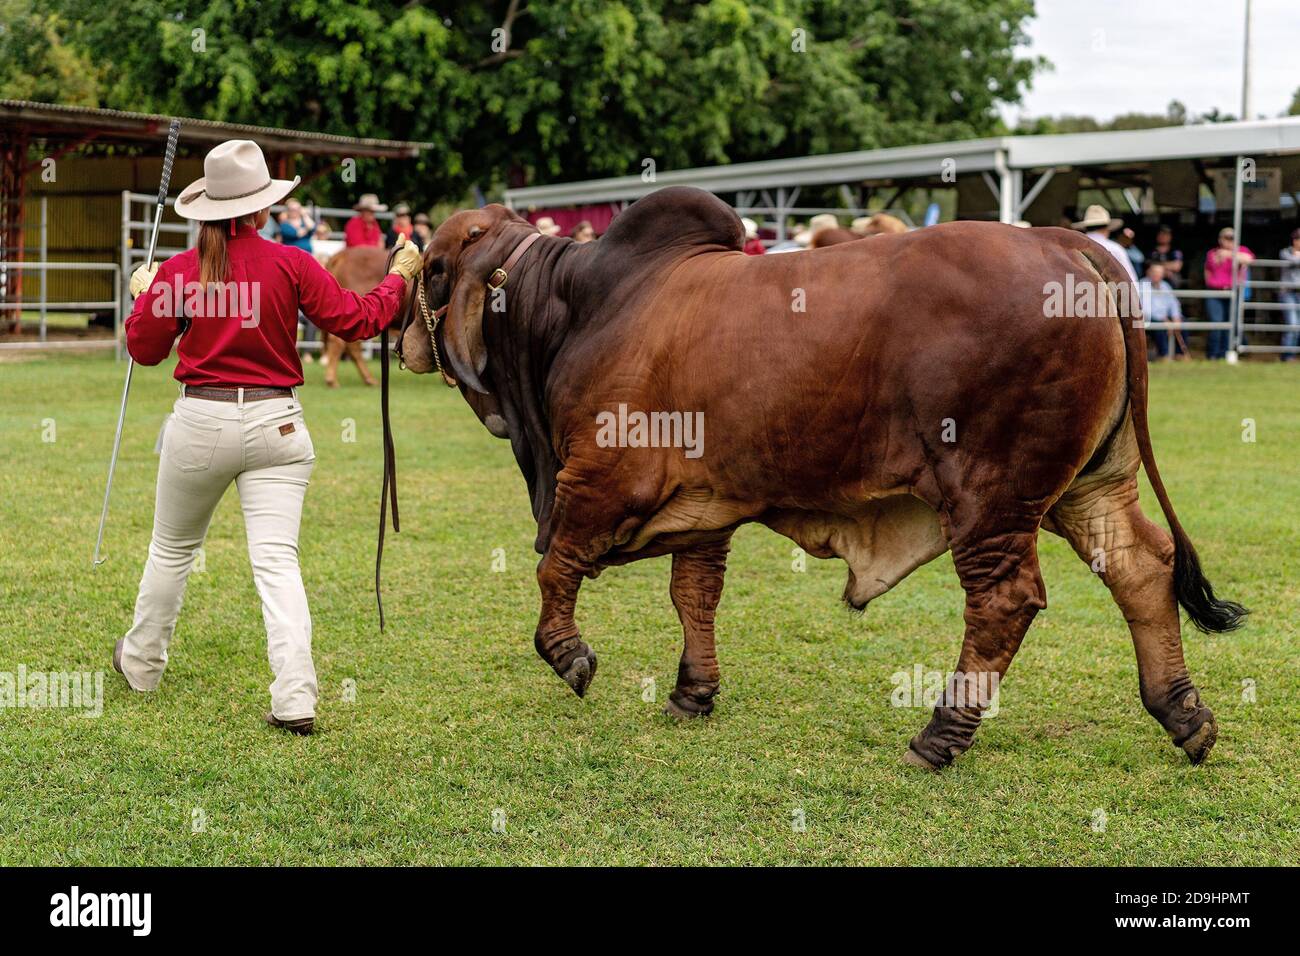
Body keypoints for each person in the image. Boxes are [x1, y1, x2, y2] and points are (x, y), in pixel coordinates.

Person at [116, 139, 423, 735]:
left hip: (200, 423)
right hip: (277, 424)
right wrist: (399, 278)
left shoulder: (180, 272)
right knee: (277, 563)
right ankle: (295, 698)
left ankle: (143, 665)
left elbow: (143, 350)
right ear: (260, 210)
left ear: (207, 210)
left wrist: (145, 297)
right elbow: (358, 319)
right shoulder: (293, 263)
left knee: (172, 551)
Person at [1203, 226, 1254, 360]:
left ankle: (1226, 352)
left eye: (1232, 238)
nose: (1229, 241)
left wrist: (1229, 254)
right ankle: (1213, 354)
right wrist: (1211, 283)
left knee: (1232, 322)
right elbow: (1207, 271)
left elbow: (1249, 259)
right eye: (1226, 238)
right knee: (1217, 322)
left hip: (1233, 291)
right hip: (1215, 292)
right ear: (1220, 239)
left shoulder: (1241, 250)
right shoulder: (1212, 253)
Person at [1071, 205, 1138, 283]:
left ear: (1085, 228)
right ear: (1107, 228)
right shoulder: (1116, 249)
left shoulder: (1074, 247)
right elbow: (1130, 279)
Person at [1140, 262, 1184, 360]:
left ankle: (1179, 354)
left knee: (1182, 323)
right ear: (1149, 272)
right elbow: (1145, 308)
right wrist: (1163, 319)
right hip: (1148, 318)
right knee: (1160, 327)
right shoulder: (1142, 285)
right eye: (1154, 272)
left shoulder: (1165, 286)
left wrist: (1176, 317)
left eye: (1159, 273)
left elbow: (1174, 303)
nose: (1157, 275)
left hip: (1165, 318)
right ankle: (1163, 355)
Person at [1279, 228, 1300, 362]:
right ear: (1294, 240)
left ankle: (1292, 354)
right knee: (1292, 325)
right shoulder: (1284, 252)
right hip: (1288, 293)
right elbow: (1292, 260)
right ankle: (1287, 356)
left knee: (1298, 326)